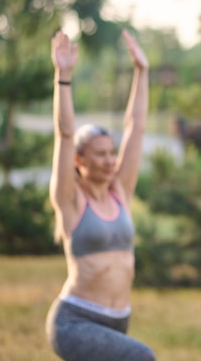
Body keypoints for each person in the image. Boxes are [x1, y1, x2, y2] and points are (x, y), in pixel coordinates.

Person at [45, 29, 155, 361]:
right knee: (141, 357)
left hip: (117, 320)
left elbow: (135, 127)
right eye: (100, 154)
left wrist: (142, 71)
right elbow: (65, 134)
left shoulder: (120, 190)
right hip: (76, 321)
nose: (110, 160)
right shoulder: (70, 198)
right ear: (79, 161)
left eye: (112, 152)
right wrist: (63, 77)